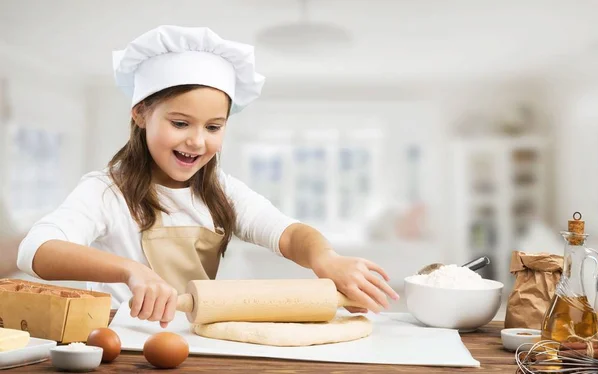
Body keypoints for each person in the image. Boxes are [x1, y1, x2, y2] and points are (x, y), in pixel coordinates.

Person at [17, 25, 398, 328]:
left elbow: (290, 233)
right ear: (140, 113)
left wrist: (325, 258)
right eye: (180, 122)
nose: (197, 141)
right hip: (122, 342)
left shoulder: (221, 192)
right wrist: (130, 271)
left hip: (199, 341)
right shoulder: (107, 192)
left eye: (214, 127)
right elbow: (35, 251)